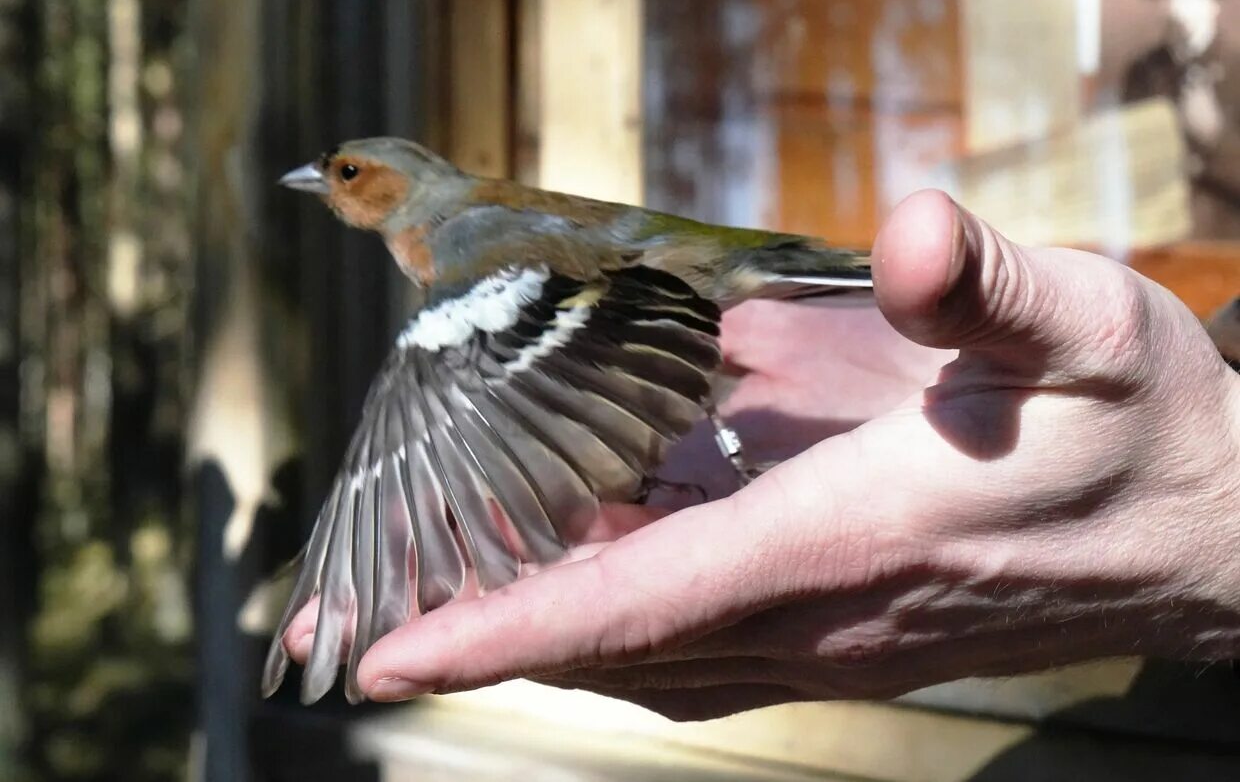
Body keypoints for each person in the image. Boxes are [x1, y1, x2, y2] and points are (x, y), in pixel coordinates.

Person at [285, 190, 1240, 721]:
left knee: (422, 366)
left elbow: (459, 397)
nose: (327, 186)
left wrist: (1209, 490)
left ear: (399, 190)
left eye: (347, 173)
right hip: (653, 273)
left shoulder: (461, 253)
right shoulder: (472, 251)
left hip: (663, 271)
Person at [1123, 0, 1240, 239]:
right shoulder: (1143, 72)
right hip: (1157, 241)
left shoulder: (1236, 68)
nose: (1175, 7)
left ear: (1213, 1)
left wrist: (1213, 134)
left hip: (1224, 244)